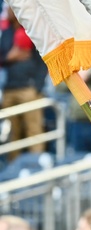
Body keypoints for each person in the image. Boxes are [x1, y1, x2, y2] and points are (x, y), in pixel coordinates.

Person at [0, 14, 47, 159]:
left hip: (28, 88)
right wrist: (10, 57)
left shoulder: (33, 30)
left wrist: (37, 86)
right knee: (13, 132)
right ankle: (14, 168)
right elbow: (2, 55)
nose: (9, 10)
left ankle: (37, 164)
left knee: (34, 130)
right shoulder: (7, 33)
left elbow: (43, 59)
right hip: (9, 89)